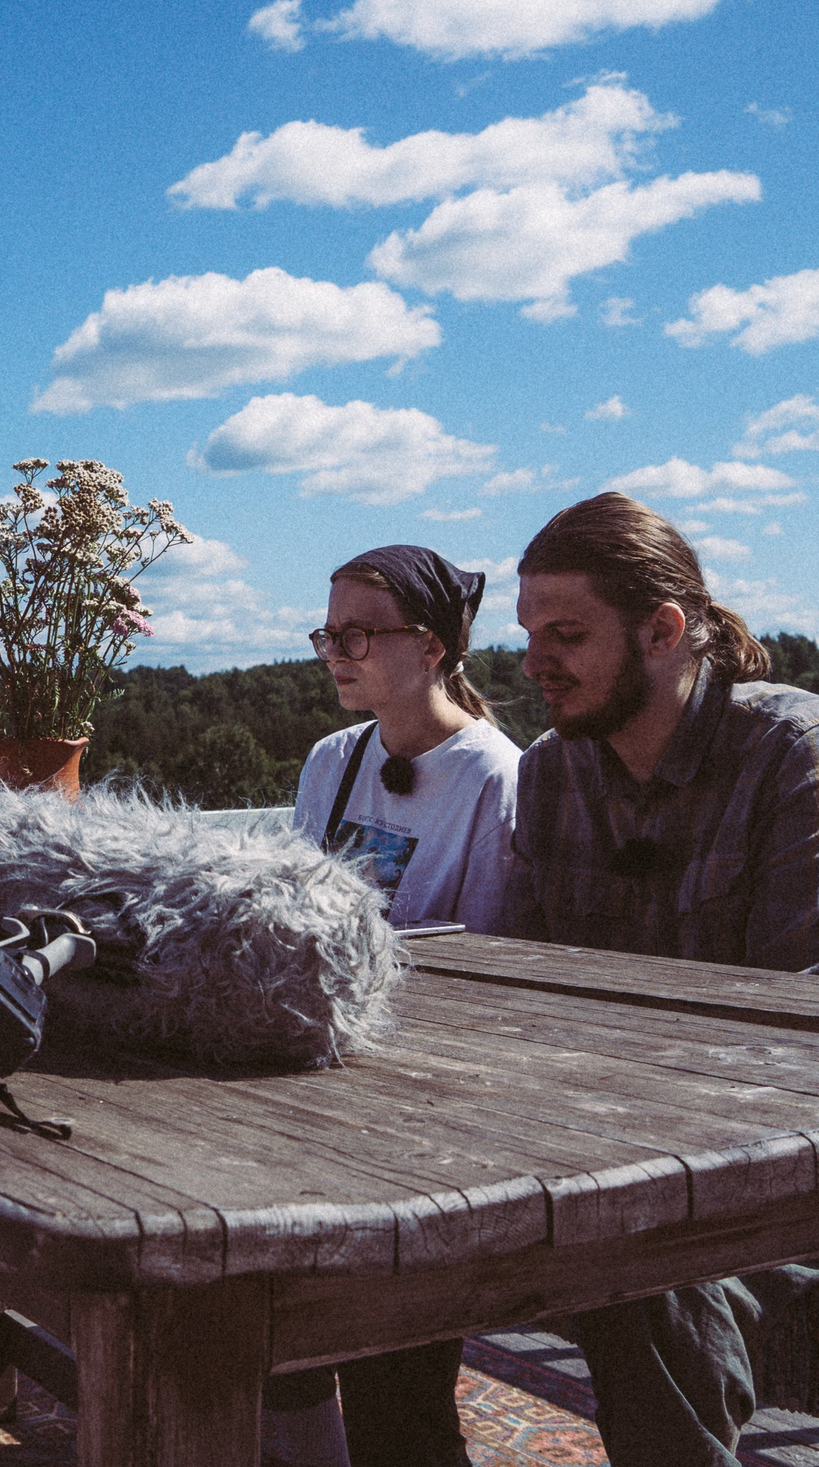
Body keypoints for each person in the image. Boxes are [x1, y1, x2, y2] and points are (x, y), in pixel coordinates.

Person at [496, 491, 819, 1467]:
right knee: (412, 1227)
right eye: (527, 632)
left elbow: (805, 1023)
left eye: (565, 633)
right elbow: (522, 1003)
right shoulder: (550, 774)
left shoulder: (798, 750)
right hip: (661, 1128)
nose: (534, 661)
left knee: (648, 1268)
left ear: (662, 632)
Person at [267, 543, 520, 1467]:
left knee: (396, 1363)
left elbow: (485, 960)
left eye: (361, 633)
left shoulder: (494, 776)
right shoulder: (334, 759)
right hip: (322, 1075)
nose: (338, 651)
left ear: (434, 645)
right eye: (330, 633)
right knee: (277, 1323)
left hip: (420, 1102)